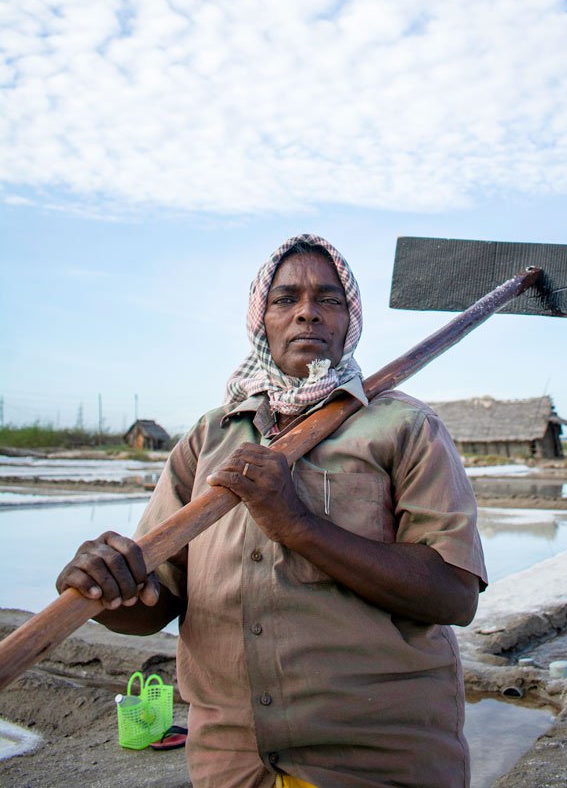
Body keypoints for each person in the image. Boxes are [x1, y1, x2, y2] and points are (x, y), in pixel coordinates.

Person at [57, 234, 487, 788]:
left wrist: (297, 524)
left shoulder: (404, 428)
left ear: (349, 318)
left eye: (328, 299)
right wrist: (104, 591)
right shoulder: (209, 438)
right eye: (286, 299)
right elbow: (153, 604)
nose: (307, 311)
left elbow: (452, 593)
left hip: (374, 761)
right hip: (231, 764)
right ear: (262, 319)